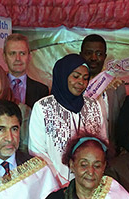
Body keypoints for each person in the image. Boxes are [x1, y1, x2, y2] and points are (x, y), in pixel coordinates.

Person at [29, 54, 106, 185]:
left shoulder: (94, 106)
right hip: (53, 185)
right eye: (75, 76)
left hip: (89, 183)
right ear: (63, 76)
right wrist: (59, 181)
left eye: (85, 78)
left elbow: (102, 144)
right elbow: (37, 151)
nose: (81, 82)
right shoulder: (43, 107)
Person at [80, 34, 126, 147]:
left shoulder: (116, 86)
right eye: (88, 53)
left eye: (99, 54)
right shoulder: (73, 84)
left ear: (105, 57)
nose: (94, 58)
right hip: (77, 148)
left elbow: (120, 125)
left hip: (107, 150)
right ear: (81, 55)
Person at [3, 33, 49, 108]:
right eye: (12, 53)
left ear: (29, 56)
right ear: (4, 57)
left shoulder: (41, 90)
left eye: (22, 53)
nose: (18, 58)